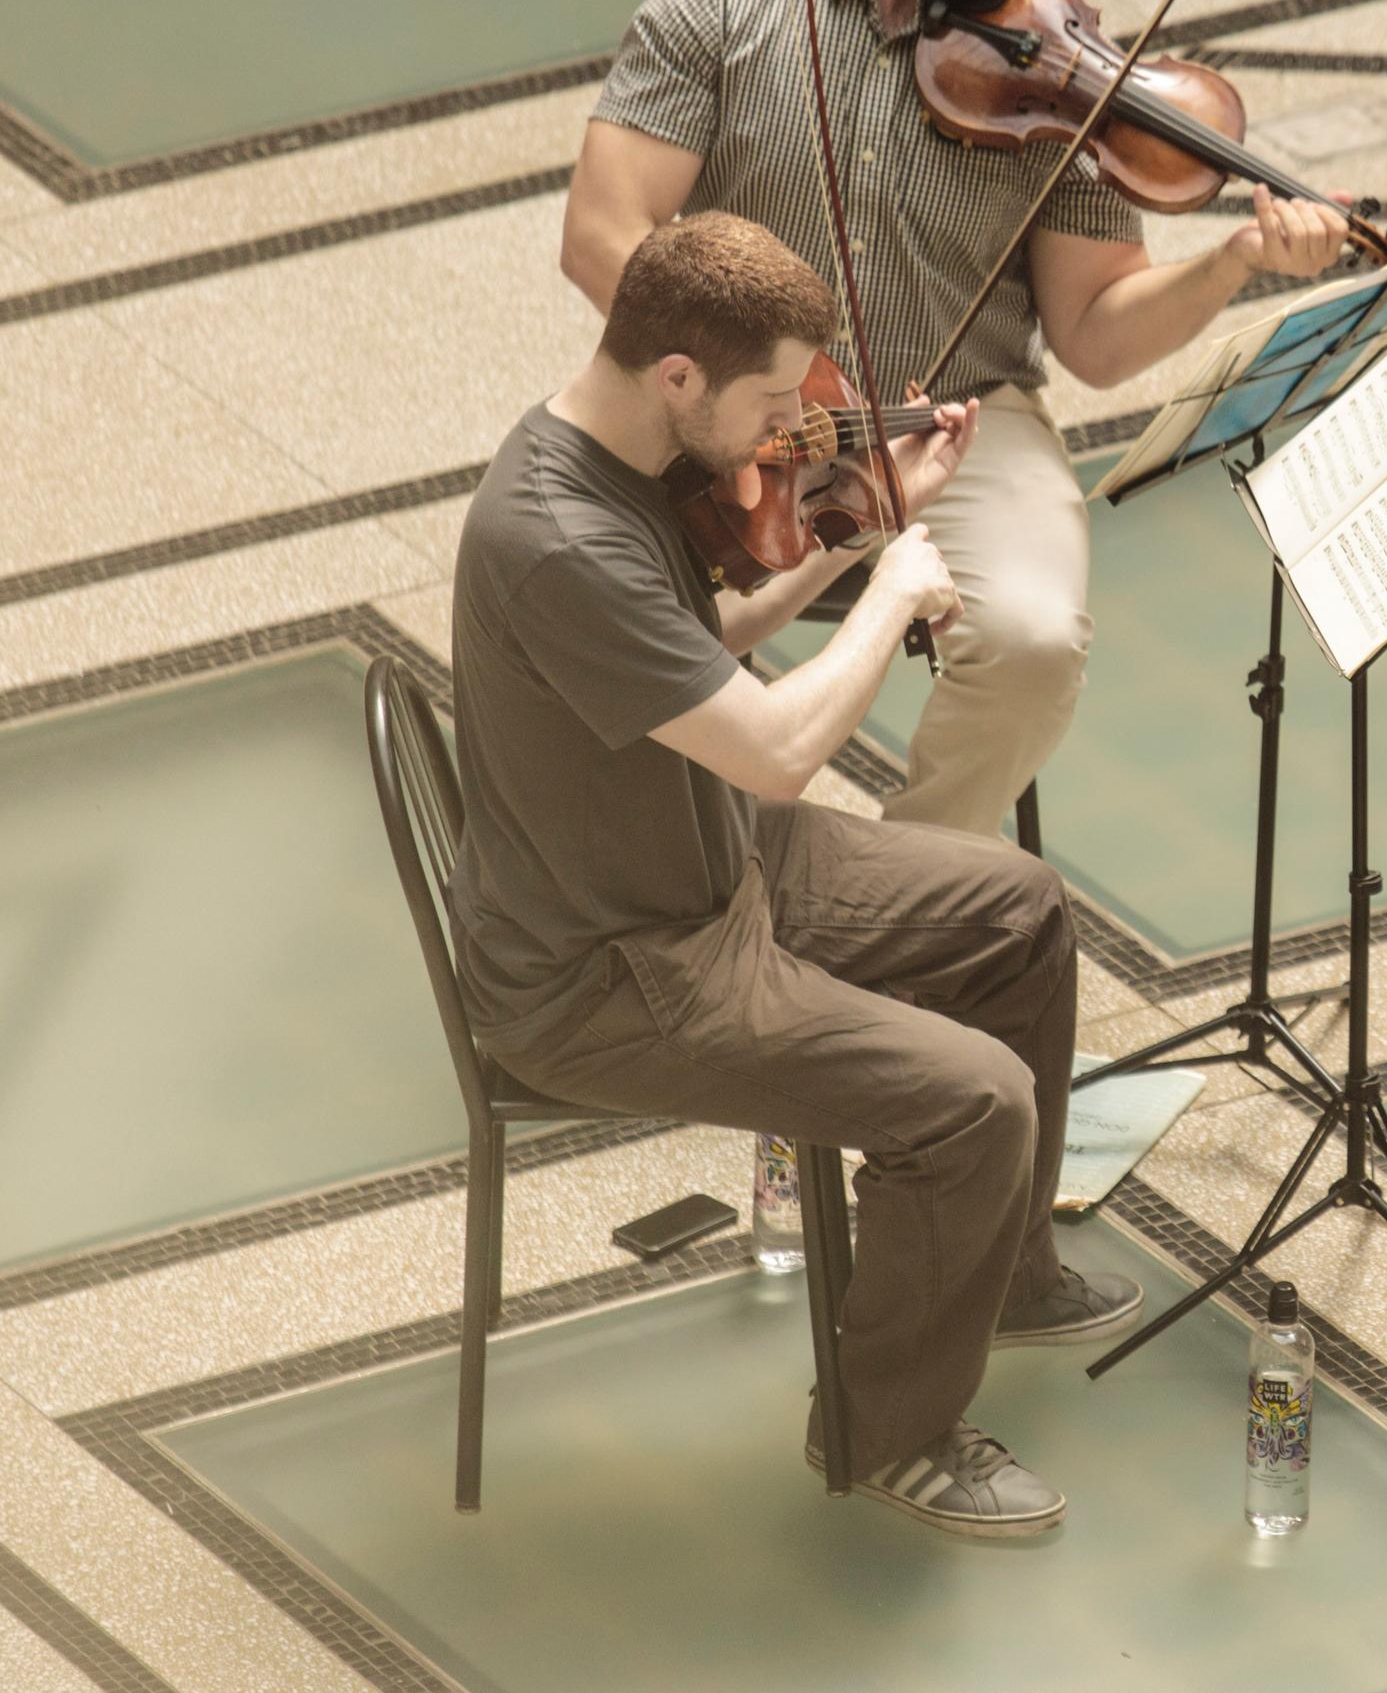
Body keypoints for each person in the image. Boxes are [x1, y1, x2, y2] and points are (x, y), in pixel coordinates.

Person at [448, 213, 1141, 1538]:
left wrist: (871, 521)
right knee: (974, 1102)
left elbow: (710, 635)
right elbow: (771, 747)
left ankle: (1000, 1272)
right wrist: (891, 601)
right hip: (620, 976)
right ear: (680, 376)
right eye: (772, 398)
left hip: (709, 868)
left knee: (1021, 911)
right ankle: (887, 1434)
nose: (788, 426)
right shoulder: (558, 538)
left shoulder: (623, 452)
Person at [560, 0, 1353, 840]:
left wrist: (1230, 260)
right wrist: (757, 391)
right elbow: (601, 232)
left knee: (1032, 640)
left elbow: (1093, 331)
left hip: (961, 420)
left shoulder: (1062, 54)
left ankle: (911, 891)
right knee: (617, 632)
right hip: (739, 414)